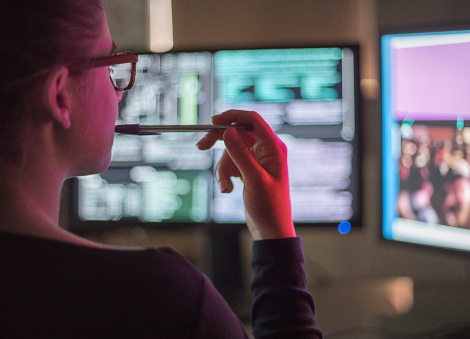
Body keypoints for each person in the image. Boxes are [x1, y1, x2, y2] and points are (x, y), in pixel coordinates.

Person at [0, 1, 322, 338]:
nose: (119, 95)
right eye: (112, 66)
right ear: (61, 96)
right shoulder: (159, 297)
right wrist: (275, 233)